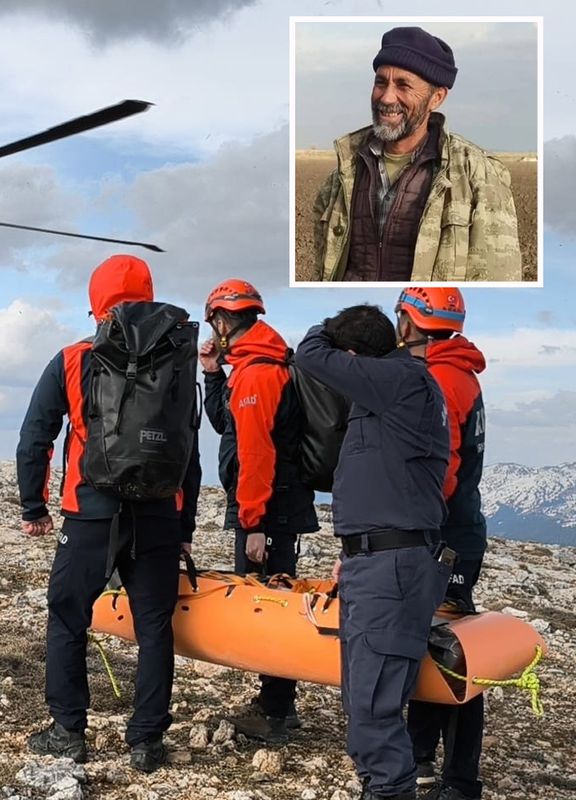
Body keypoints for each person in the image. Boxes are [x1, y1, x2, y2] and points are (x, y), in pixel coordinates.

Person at [16, 254, 201, 773]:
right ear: (148, 292)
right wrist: (183, 527)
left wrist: (35, 505)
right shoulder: (178, 359)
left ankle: (68, 731)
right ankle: (146, 742)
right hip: (161, 513)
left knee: (68, 618)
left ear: (96, 301)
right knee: (155, 627)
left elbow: (36, 438)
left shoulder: (74, 358)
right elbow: (188, 449)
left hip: (91, 512)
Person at [294, 305, 453, 800]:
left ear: (355, 357)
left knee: (373, 705)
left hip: (392, 567)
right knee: (367, 695)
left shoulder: (398, 381)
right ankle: (382, 786)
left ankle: (387, 791)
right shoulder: (395, 389)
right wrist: (357, 550)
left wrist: (327, 330)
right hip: (381, 559)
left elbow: (309, 354)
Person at [199, 279, 320, 745]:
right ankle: (274, 702)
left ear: (224, 321)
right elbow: (226, 426)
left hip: (269, 510)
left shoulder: (258, 374)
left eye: (214, 322)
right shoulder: (250, 368)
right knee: (271, 596)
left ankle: (276, 712)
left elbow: (255, 454)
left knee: (270, 604)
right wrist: (212, 373)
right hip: (273, 506)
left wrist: (253, 523)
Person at [308, 26, 521, 282]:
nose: (386, 98)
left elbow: (500, 278)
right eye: (380, 82)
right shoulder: (341, 178)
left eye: (403, 85)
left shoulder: (478, 176)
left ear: (436, 98)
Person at [393, 287, 488, 800]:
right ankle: (421, 758)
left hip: (444, 532)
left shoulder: (443, 379)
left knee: (452, 649)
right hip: (455, 529)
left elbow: (442, 470)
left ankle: (461, 779)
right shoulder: (456, 372)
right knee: (431, 642)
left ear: (411, 322)